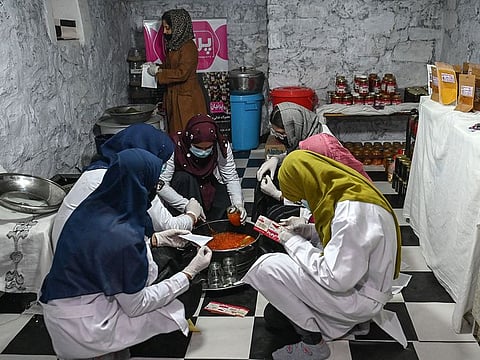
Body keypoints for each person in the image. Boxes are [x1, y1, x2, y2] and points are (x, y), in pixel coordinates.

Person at [40, 148, 212, 359]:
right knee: (173, 302)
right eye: (154, 185)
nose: (154, 192)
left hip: (62, 309)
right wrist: (190, 272)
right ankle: (101, 352)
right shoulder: (122, 235)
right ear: (141, 187)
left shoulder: (95, 206)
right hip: (84, 327)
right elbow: (137, 305)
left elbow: (102, 253)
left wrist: (157, 239)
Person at [243, 150, 407, 360]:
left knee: (268, 267)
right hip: (362, 283)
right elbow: (346, 242)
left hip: (358, 296)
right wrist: (308, 231)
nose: (306, 200)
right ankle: (335, 322)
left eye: (303, 193)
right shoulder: (350, 190)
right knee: (275, 316)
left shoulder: (351, 214)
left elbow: (336, 278)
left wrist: (290, 240)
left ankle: (314, 345)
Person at [51, 123, 204, 250]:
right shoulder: (129, 181)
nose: (160, 167)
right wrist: (191, 214)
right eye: (159, 162)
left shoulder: (98, 169)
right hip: (84, 260)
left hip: (69, 250)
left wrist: (154, 240)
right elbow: (168, 225)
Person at [158, 114, 246, 223]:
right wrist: (186, 205)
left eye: (208, 147)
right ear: (189, 141)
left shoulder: (220, 145)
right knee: (183, 178)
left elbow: (230, 178)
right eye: (198, 148)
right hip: (184, 187)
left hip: (208, 182)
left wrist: (238, 203)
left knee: (225, 208)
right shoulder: (174, 145)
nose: (204, 151)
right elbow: (161, 184)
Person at [252, 102, 325, 221]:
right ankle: (257, 229)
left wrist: (278, 195)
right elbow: (296, 153)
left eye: (282, 133)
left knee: (276, 215)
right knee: (265, 178)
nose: (280, 138)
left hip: (318, 208)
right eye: (276, 133)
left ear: (294, 128)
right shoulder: (306, 132)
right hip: (302, 192)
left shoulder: (318, 150)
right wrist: (277, 159)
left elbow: (315, 201)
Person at [147, 8, 207, 135]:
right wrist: (155, 66)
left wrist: (159, 71)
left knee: (187, 133)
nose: (165, 32)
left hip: (186, 99)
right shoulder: (174, 46)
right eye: (164, 28)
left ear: (179, 28)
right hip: (175, 96)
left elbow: (182, 73)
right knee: (175, 133)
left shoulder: (188, 48)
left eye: (168, 28)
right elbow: (171, 67)